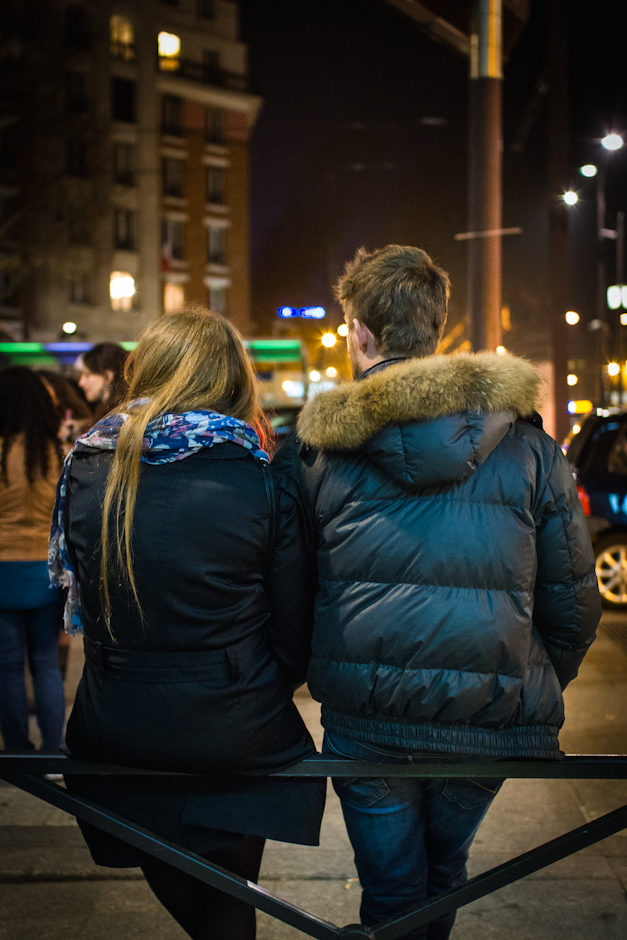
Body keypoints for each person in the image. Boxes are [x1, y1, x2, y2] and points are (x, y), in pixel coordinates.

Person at [272, 244, 602, 939]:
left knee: (390, 891)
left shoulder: (316, 455)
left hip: (365, 719)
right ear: (435, 325)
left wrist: (316, 667)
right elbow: (573, 601)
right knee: (441, 877)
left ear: (359, 331)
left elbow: (292, 593)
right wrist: (524, 675)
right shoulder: (528, 446)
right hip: (486, 717)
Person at [49, 306, 324, 940]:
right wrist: (250, 681)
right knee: (229, 902)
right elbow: (293, 632)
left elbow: (87, 602)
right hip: (238, 728)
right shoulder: (258, 478)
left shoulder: (88, 468)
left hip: (116, 725)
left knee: (205, 900)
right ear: (232, 380)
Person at [0, 367, 66, 753]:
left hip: (3, 569)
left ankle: (16, 751)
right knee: (45, 664)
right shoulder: (54, 455)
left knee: (8, 668)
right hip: (45, 571)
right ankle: (54, 751)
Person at [75, 341, 129, 420]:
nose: (81, 383)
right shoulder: (105, 409)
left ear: (107, 376)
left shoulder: (119, 415)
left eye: (87, 375)